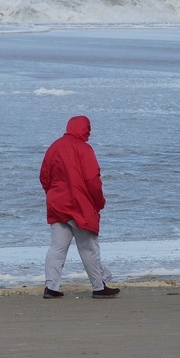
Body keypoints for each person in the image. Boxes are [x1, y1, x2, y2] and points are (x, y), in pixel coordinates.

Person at [39, 115, 119, 298]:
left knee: (57, 248)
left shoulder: (54, 147)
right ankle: (99, 287)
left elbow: (44, 176)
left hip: (57, 204)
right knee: (88, 247)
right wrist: (99, 202)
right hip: (79, 205)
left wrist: (53, 194)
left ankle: (51, 287)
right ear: (85, 129)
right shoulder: (84, 149)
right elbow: (92, 180)